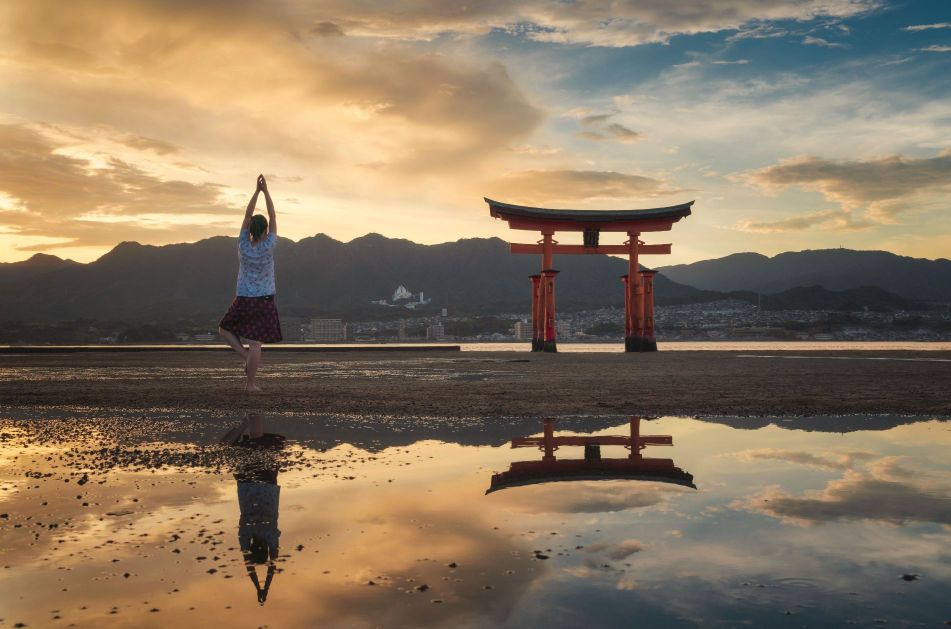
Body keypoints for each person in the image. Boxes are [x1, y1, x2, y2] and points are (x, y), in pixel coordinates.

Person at [218, 174, 282, 392]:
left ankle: (246, 360)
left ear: (249, 230)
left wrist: (255, 191)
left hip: (244, 298)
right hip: (263, 300)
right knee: (255, 344)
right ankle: (250, 382)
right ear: (265, 230)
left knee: (224, 330)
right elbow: (273, 215)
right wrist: (265, 191)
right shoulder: (269, 245)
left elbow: (247, 215)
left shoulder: (243, 245)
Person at [220, 412, 286, 605]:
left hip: (267, 483)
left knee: (258, 443)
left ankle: (253, 414)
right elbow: (248, 564)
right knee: (228, 446)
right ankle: (248, 419)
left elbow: (272, 565)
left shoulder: (270, 535)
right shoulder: (245, 533)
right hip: (246, 484)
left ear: (265, 548)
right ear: (250, 548)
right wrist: (259, 587)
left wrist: (264, 587)